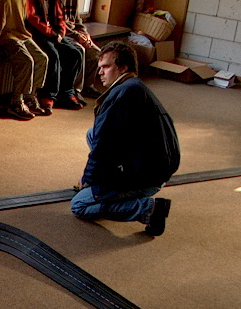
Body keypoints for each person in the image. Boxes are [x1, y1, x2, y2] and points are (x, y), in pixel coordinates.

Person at [70, 41, 180, 236]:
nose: (100, 73)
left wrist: (87, 181)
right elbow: (106, 139)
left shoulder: (122, 96)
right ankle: (118, 190)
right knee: (92, 133)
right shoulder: (135, 87)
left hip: (147, 176)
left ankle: (148, 209)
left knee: (79, 205)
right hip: (156, 166)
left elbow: (102, 148)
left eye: (106, 67)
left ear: (123, 67)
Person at [24, 0, 85, 111]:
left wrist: (60, 32)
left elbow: (59, 17)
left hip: (51, 33)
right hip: (35, 34)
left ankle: (67, 91)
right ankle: (48, 95)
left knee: (75, 53)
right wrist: (52, 34)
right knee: (53, 55)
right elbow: (32, 19)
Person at [55, 0, 102, 99]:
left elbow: (77, 21)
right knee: (79, 51)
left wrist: (86, 36)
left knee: (96, 52)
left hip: (75, 33)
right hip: (64, 34)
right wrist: (77, 36)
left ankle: (88, 86)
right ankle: (75, 88)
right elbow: (60, 23)